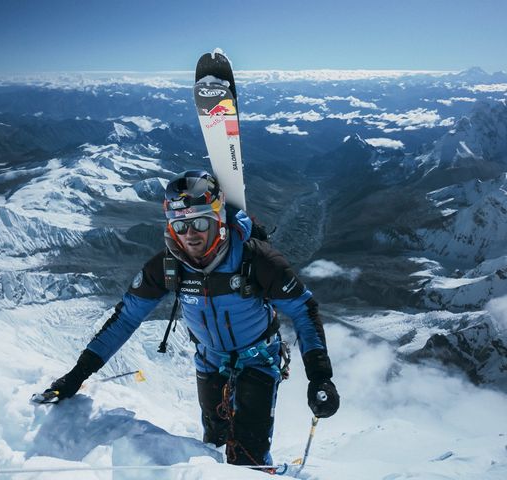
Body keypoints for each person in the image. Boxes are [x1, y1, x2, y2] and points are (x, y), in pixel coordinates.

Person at [43, 170, 339, 467]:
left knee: (248, 461)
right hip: (210, 360)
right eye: (180, 226)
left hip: (258, 359)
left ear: (219, 219)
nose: (190, 235)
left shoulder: (256, 259)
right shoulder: (167, 267)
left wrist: (320, 376)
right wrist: (76, 376)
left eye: (200, 222)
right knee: (213, 445)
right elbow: (125, 319)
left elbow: (303, 309)